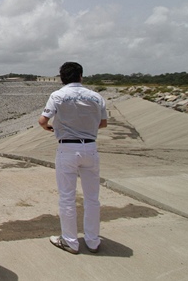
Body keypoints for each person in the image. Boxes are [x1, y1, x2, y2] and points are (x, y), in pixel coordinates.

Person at [38, 61, 107, 255]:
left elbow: (43, 120)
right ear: (81, 76)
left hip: (67, 148)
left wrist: (51, 127)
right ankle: (93, 241)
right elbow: (103, 123)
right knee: (92, 197)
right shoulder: (96, 97)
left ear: (62, 78)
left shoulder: (58, 96)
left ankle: (70, 240)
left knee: (67, 197)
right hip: (90, 148)